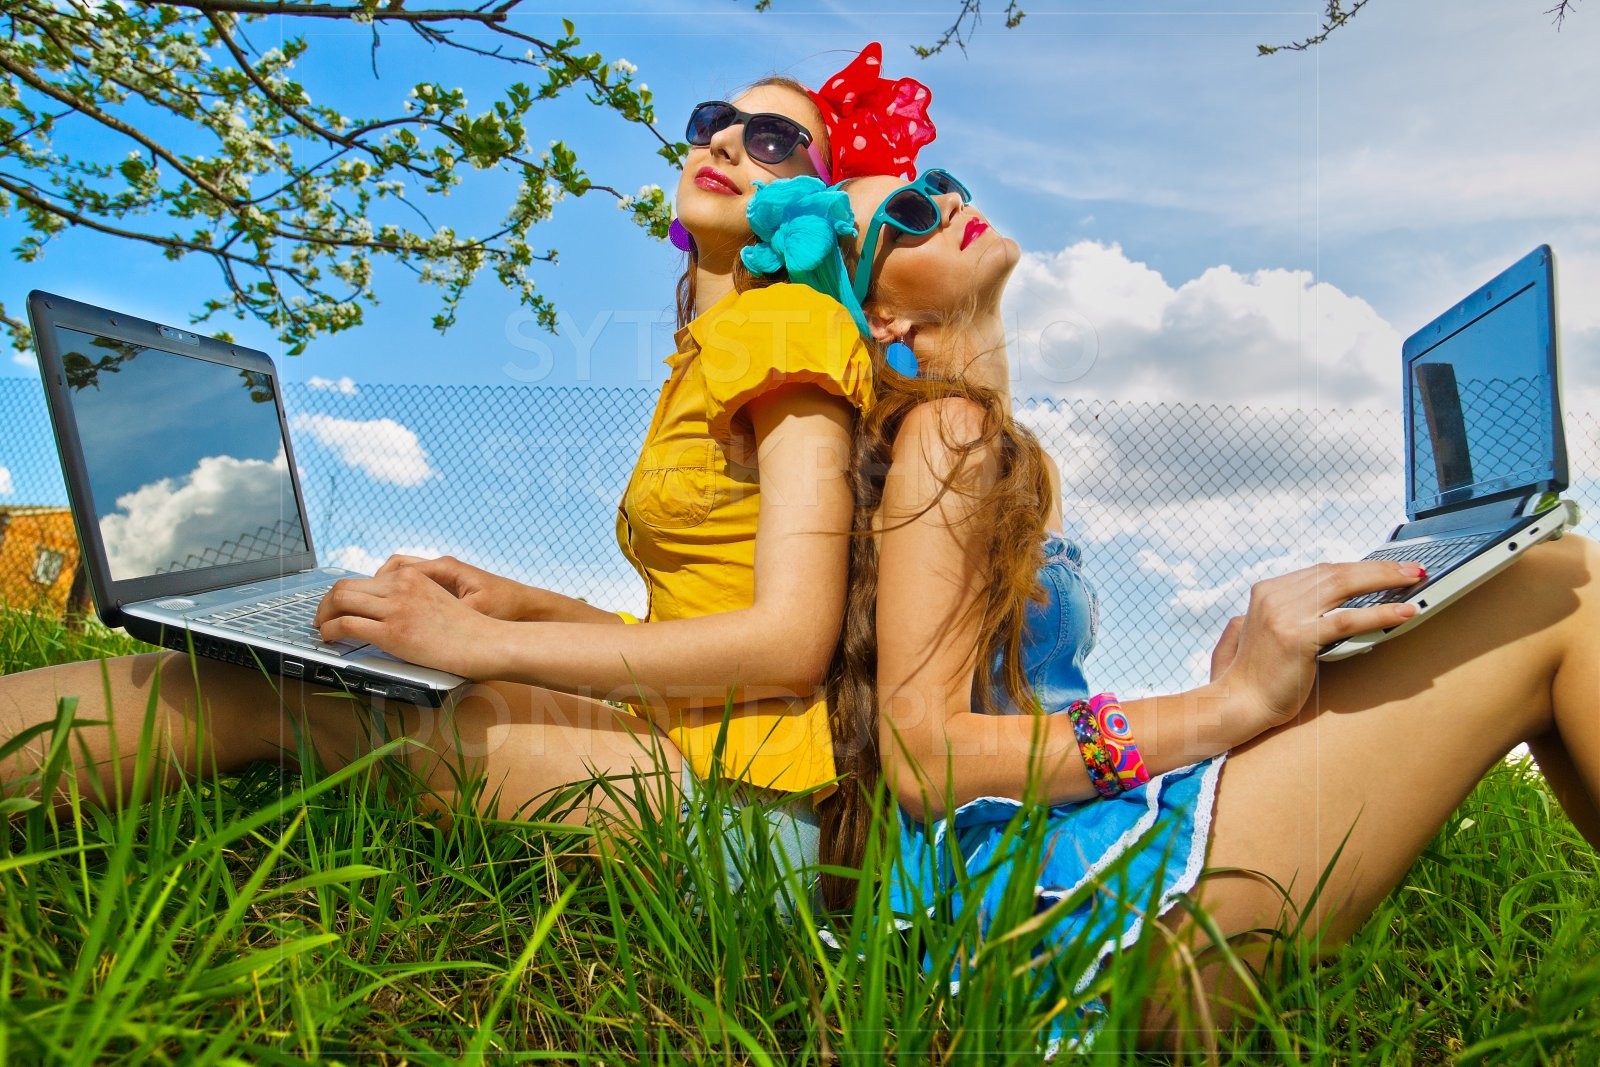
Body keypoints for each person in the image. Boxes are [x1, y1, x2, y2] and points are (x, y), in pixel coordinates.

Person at [0, 47, 935, 870]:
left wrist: (483, 643)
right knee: (338, 665)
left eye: (774, 139)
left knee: (263, 689)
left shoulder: (792, 325)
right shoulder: (717, 347)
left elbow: (788, 642)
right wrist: (518, 602)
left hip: (739, 818)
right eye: (714, 121)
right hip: (684, 754)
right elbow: (691, 616)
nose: (727, 142)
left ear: (816, 204)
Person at [774, 168, 1600, 1041]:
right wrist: (1224, 707)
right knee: (1555, 585)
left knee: (1543, 590)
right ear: (882, 318)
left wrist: (1228, 696)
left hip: (1063, 866)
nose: (943, 203)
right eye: (907, 216)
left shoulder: (1014, 451)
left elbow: (1021, 703)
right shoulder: (947, 433)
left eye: (941, 183)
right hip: (1055, 913)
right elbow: (924, 756)